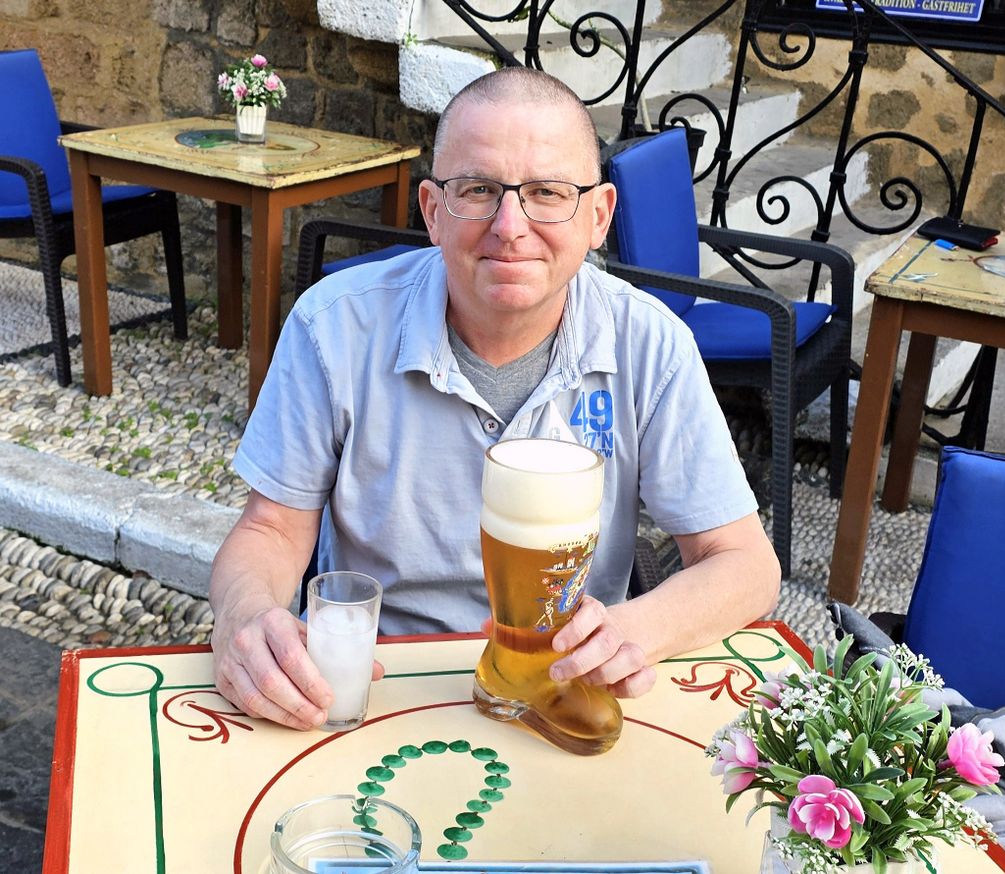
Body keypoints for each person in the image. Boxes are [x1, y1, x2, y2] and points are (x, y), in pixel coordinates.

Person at [209, 67, 781, 731]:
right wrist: (246, 620)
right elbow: (270, 530)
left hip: (562, 690)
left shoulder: (650, 344)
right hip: (379, 686)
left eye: (547, 192)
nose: (511, 226)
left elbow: (744, 564)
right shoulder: (332, 326)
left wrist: (630, 630)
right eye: (479, 190)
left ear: (598, 217)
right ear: (431, 211)